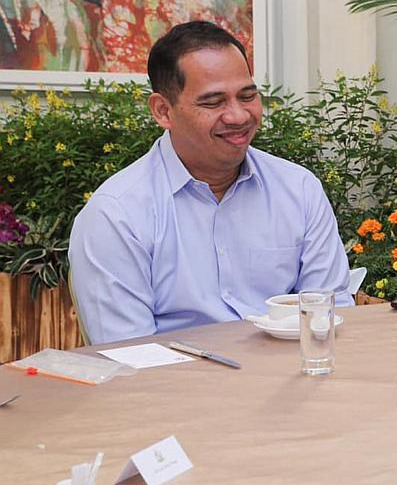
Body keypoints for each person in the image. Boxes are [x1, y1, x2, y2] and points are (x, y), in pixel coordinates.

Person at [69, 21, 353, 342]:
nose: (238, 116)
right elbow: (127, 352)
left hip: (292, 370)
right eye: (213, 102)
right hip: (174, 374)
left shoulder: (298, 189)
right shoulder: (116, 215)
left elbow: (328, 316)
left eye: (247, 96)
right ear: (163, 111)